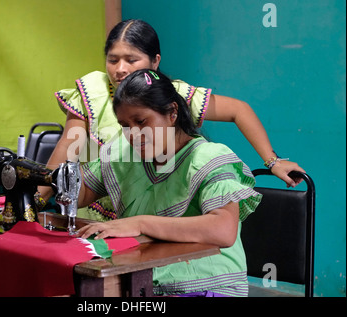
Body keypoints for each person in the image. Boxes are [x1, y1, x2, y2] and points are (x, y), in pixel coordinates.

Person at [39, 19, 304, 221]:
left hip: (156, 213)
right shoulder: (92, 92)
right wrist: (40, 192)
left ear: (155, 61)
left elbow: (239, 110)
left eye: (132, 60)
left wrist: (273, 161)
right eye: (113, 60)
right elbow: (70, 147)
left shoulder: (171, 95)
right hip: (97, 210)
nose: (120, 69)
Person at [75, 69, 262, 297]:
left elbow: (223, 230)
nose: (132, 134)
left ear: (172, 112)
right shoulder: (125, 153)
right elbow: (81, 190)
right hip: (145, 280)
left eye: (141, 121)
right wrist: (50, 181)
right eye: (125, 125)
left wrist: (141, 223)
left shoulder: (209, 158)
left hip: (206, 286)